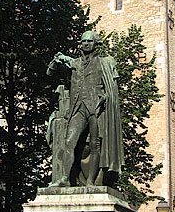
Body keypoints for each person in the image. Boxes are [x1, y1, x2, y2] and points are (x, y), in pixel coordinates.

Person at [46, 30, 124, 187]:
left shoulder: (105, 62)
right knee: (69, 142)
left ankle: (90, 182)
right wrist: (55, 61)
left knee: (95, 146)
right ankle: (64, 179)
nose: (86, 44)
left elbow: (112, 91)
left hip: (96, 110)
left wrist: (104, 97)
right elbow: (50, 73)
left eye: (89, 41)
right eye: (83, 41)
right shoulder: (74, 63)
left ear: (96, 44)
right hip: (78, 109)